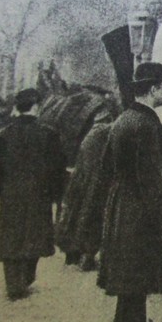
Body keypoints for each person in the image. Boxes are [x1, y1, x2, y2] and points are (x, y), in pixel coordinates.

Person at [98, 63, 162, 322]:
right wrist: (161, 216)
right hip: (140, 209)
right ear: (154, 88)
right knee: (135, 274)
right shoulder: (148, 125)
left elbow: (107, 168)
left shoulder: (123, 120)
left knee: (131, 271)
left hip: (122, 204)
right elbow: (153, 178)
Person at [0, 89, 66, 301]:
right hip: (38, 194)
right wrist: (57, 194)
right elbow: (58, 168)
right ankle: (27, 277)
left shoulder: (4, 134)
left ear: (17, 108)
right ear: (36, 107)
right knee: (35, 235)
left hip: (11, 194)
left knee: (11, 235)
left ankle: (13, 282)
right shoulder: (49, 134)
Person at [56, 110, 114, 271]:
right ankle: (87, 256)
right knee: (93, 217)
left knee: (74, 214)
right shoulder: (105, 133)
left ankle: (72, 255)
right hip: (97, 183)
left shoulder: (90, 135)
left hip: (81, 181)